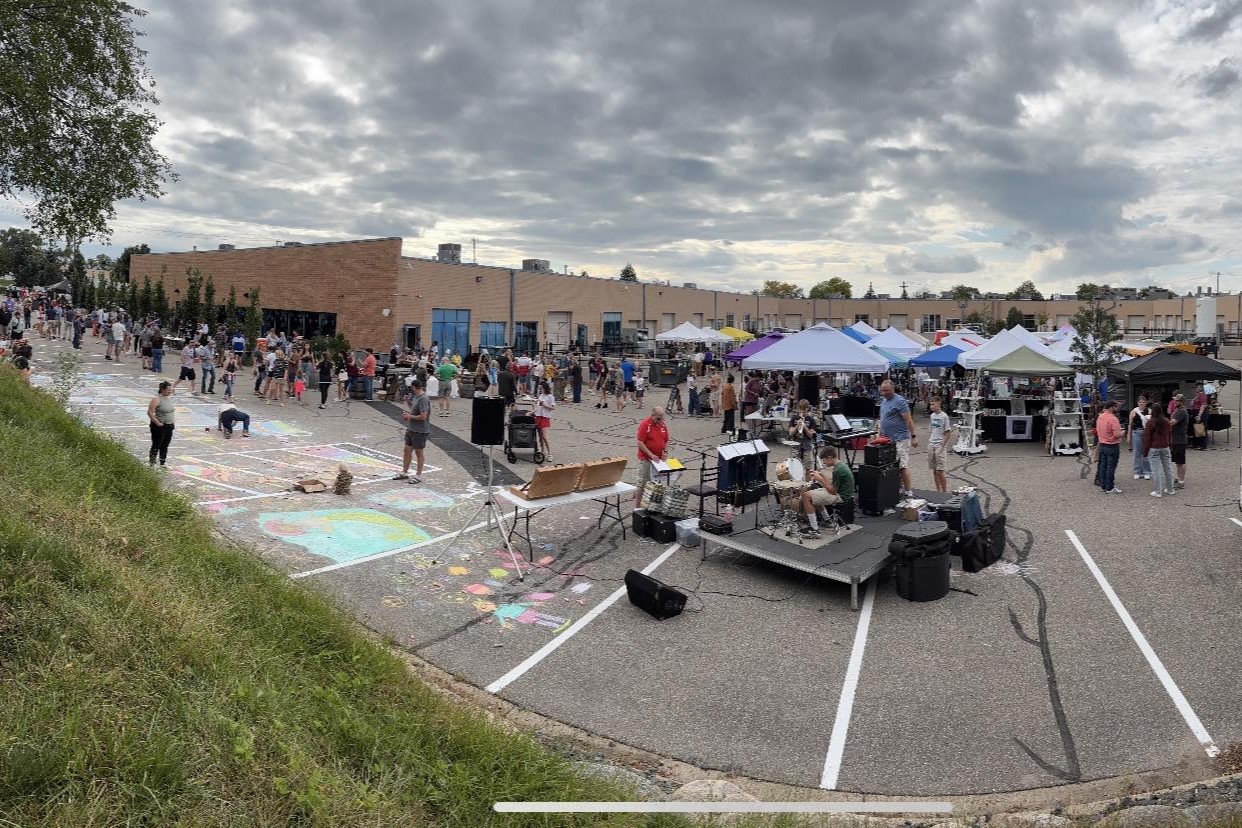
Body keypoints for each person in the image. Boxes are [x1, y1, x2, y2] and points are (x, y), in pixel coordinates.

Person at [799, 446, 855, 538]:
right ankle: (827, 521)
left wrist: (820, 479)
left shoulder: (838, 470)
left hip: (840, 496)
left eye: (824, 460)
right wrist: (821, 476)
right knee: (814, 495)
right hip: (841, 493)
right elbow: (832, 486)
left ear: (829, 458)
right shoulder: (840, 465)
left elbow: (832, 491)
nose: (823, 463)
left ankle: (814, 530)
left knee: (805, 496)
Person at [878, 379, 918, 498]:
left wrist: (913, 436)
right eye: (882, 390)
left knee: (902, 466)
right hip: (888, 439)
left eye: (886, 390)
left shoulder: (899, 401)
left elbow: (908, 420)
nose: (884, 393)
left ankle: (908, 490)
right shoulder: (884, 400)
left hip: (900, 438)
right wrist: (880, 435)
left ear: (893, 389)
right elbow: (883, 418)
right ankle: (898, 487)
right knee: (891, 465)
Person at [395, 378, 431, 484]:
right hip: (411, 429)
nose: (411, 390)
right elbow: (414, 408)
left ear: (414, 387)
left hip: (420, 430)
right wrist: (408, 402)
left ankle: (418, 475)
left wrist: (409, 416)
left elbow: (423, 416)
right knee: (407, 450)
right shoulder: (416, 397)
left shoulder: (423, 399)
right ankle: (404, 472)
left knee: (419, 453)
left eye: (411, 388)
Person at [635, 406, 670, 506]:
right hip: (646, 459)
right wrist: (650, 454)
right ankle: (637, 507)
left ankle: (652, 505)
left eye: (662, 417)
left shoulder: (662, 424)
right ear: (653, 415)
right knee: (643, 483)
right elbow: (640, 442)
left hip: (658, 460)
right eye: (658, 417)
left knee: (657, 483)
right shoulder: (645, 424)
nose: (660, 420)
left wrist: (665, 452)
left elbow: (667, 440)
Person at [1142, 402, 1174, 497]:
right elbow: (1169, 435)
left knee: (1156, 470)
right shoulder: (1166, 421)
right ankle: (1170, 489)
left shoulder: (1150, 422)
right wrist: (1169, 445)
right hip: (1165, 446)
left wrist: (1145, 452)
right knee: (1168, 468)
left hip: (1154, 447)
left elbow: (1147, 438)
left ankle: (1157, 491)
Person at [927, 396, 954, 493]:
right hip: (931, 443)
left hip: (940, 444)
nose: (931, 406)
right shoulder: (932, 416)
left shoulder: (944, 416)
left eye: (933, 404)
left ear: (938, 404)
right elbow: (932, 429)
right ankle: (937, 491)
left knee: (940, 471)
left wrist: (942, 446)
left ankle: (944, 492)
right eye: (930, 404)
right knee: (934, 471)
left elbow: (948, 432)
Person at [1095, 400, 1123, 493]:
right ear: (1111, 407)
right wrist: (1123, 432)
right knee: (1111, 467)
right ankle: (1110, 487)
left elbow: (1098, 430)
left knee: (1103, 466)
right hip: (1112, 445)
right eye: (1115, 407)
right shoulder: (1113, 419)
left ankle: (1103, 486)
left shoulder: (1100, 417)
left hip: (1102, 444)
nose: (1116, 409)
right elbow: (1117, 434)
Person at [146, 381, 176, 466]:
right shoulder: (156, 399)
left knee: (165, 445)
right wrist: (157, 423)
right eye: (168, 390)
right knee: (156, 444)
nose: (170, 392)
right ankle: (152, 463)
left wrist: (172, 423)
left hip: (169, 425)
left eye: (171, 390)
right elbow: (150, 413)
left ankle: (162, 462)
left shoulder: (169, 399)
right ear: (162, 389)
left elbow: (170, 412)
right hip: (159, 426)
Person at [1127, 394, 1152, 480]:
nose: (1141, 404)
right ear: (1137, 403)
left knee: (1146, 452)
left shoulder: (1149, 411)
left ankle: (1146, 471)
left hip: (1146, 433)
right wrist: (1129, 436)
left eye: (1143, 402)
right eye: (1140, 402)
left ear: (1146, 403)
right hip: (1137, 432)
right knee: (1137, 452)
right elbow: (1130, 425)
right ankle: (1137, 471)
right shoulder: (1133, 412)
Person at [534, 379, 556, 461]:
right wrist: (532, 412)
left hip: (545, 417)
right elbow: (537, 407)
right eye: (539, 388)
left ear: (545, 388)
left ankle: (550, 453)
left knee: (545, 437)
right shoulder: (540, 396)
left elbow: (553, 407)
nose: (540, 390)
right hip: (538, 416)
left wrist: (545, 405)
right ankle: (542, 451)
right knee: (540, 437)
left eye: (541, 388)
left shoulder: (550, 396)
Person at [1170, 393, 1189, 489]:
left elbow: (1172, 422)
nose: (1175, 402)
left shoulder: (1181, 412)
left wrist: (1161, 422)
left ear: (1182, 402)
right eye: (1175, 400)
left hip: (1180, 439)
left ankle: (1181, 481)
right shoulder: (1178, 410)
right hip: (1176, 439)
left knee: (1181, 461)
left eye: (1177, 401)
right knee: (1177, 461)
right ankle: (1178, 478)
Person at [1190, 384, 1210, 450]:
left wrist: (1199, 415)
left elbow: (1203, 406)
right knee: (1196, 428)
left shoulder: (1203, 395)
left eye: (1197, 388)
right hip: (1195, 412)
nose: (1195, 389)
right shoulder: (1197, 395)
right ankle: (1196, 444)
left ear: (1200, 388)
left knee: (1202, 428)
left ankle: (1203, 445)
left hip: (1201, 413)